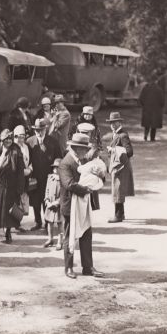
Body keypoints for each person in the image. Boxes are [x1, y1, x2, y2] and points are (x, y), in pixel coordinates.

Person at [58, 133, 105, 279]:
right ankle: (69, 268)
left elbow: (96, 174)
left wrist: (99, 175)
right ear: (75, 148)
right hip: (69, 205)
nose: (85, 152)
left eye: (86, 149)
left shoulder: (84, 160)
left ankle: (88, 267)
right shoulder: (65, 163)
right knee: (69, 236)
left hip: (83, 204)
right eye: (83, 149)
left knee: (86, 234)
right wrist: (86, 189)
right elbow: (69, 184)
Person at [26, 118, 62, 231]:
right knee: (35, 200)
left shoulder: (53, 141)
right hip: (34, 177)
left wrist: (55, 172)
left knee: (47, 200)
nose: (38, 132)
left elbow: (59, 157)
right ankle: (38, 222)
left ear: (45, 129)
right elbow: (26, 159)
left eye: (41, 129)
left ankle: (48, 223)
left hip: (48, 176)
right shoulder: (29, 142)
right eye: (36, 130)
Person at [106, 112, 134, 223]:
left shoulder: (123, 135)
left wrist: (114, 150)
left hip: (121, 167)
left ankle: (118, 216)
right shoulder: (116, 133)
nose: (112, 125)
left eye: (114, 122)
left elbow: (130, 152)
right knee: (118, 191)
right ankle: (121, 214)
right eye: (111, 123)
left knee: (118, 191)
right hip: (117, 166)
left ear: (119, 122)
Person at [13, 125, 32, 232]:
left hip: (25, 177)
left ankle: (18, 223)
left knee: (22, 200)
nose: (20, 139)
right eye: (18, 137)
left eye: (22, 136)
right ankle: (14, 224)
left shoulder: (26, 147)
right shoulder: (13, 147)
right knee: (15, 201)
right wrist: (21, 172)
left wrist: (30, 169)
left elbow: (30, 160)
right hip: (16, 178)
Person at [43, 159, 63, 249]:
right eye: (54, 167)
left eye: (58, 168)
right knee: (49, 222)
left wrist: (56, 203)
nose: (55, 169)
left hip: (58, 205)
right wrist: (47, 201)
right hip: (50, 204)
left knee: (59, 223)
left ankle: (60, 241)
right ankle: (50, 239)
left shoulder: (63, 180)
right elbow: (47, 190)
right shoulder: (50, 178)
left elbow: (63, 195)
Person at [139, 76, 165, 141]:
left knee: (146, 124)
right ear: (156, 81)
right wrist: (161, 106)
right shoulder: (159, 89)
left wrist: (143, 105)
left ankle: (145, 135)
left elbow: (141, 98)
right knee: (154, 124)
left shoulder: (145, 88)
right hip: (156, 109)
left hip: (147, 108)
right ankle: (152, 138)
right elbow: (162, 100)